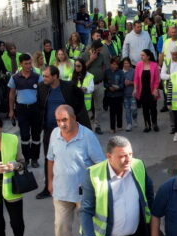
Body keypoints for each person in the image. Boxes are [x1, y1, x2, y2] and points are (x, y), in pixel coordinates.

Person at [46, 105, 103, 236]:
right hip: (61, 191)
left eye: (64, 120)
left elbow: (100, 163)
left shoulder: (87, 136)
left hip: (83, 192)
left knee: (85, 227)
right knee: (61, 226)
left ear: (73, 118)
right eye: (58, 120)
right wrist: (49, 181)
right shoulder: (54, 135)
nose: (61, 124)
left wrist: (97, 188)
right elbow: (50, 159)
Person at [35, 65, 91, 199]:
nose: (44, 78)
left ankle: (76, 185)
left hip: (67, 130)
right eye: (43, 76)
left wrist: (74, 117)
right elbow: (40, 105)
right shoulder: (42, 87)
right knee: (49, 157)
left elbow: (80, 98)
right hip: (49, 129)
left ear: (55, 76)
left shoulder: (69, 87)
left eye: (47, 76)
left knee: (71, 157)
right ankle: (48, 188)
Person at [7, 53, 43, 168]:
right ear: (21, 64)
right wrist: (11, 110)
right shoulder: (15, 78)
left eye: (30, 63)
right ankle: (26, 159)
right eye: (26, 64)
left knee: (36, 135)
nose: (28, 66)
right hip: (22, 110)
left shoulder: (37, 77)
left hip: (35, 109)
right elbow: (12, 94)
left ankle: (35, 159)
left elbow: (43, 93)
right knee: (25, 136)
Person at [85, 39, 110, 134]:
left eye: (100, 50)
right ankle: (87, 126)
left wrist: (102, 74)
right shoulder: (85, 55)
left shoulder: (101, 56)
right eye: (98, 50)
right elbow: (81, 68)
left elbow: (104, 66)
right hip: (88, 85)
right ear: (93, 48)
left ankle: (97, 125)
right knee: (86, 107)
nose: (99, 52)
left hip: (99, 84)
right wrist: (91, 59)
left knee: (99, 106)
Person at [133, 49, 161, 133]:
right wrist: (135, 88)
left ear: (148, 56)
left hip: (152, 90)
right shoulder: (138, 65)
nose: (141, 57)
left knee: (153, 108)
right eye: (141, 55)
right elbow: (136, 78)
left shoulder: (154, 65)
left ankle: (154, 123)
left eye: (143, 55)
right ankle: (147, 125)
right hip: (143, 91)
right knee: (145, 109)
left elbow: (157, 79)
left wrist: (156, 89)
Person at [104, 56, 127, 133]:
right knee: (112, 112)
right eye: (113, 64)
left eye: (116, 64)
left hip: (119, 94)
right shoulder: (107, 72)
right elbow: (105, 82)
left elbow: (122, 83)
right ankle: (112, 128)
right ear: (110, 64)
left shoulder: (121, 72)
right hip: (110, 95)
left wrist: (118, 87)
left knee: (119, 111)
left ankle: (119, 125)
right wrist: (108, 87)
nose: (115, 66)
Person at [120, 57, 136, 132]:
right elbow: (119, 83)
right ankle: (129, 124)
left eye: (127, 63)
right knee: (127, 110)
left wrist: (130, 82)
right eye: (125, 63)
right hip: (124, 94)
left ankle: (135, 117)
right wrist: (122, 83)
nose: (126, 65)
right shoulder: (121, 72)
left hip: (133, 93)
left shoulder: (133, 71)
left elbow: (137, 82)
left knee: (134, 109)